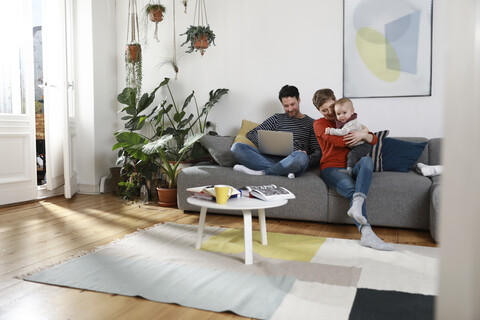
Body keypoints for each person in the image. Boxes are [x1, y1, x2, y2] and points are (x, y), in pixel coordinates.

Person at [312, 88, 394, 251]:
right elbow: (340, 142)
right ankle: (367, 234)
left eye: (331, 107)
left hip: (353, 165)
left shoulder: (347, 117)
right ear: (319, 111)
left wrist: (364, 134)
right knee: (351, 190)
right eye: (324, 110)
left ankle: (357, 205)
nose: (329, 113)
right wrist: (361, 134)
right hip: (332, 167)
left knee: (366, 160)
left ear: (336, 101)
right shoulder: (319, 124)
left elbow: (374, 139)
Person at [230, 85, 321, 178]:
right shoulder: (277, 119)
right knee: (237, 148)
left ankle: (263, 172)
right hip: (270, 158)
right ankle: (284, 171)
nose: (290, 109)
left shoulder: (312, 124)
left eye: (292, 104)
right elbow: (252, 134)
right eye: (286, 106)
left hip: (294, 160)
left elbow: (317, 152)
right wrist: (269, 144)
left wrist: (306, 157)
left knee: (301, 157)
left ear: (299, 100)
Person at [325, 97, 372, 176]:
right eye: (338, 114)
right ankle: (356, 169)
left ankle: (350, 170)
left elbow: (343, 132)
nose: (341, 116)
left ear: (352, 111)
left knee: (351, 155)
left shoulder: (350, 123)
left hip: (362, 145)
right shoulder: (346, 121)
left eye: (344, 113)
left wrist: (331, 131)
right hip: (357, 145)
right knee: (352, 155)